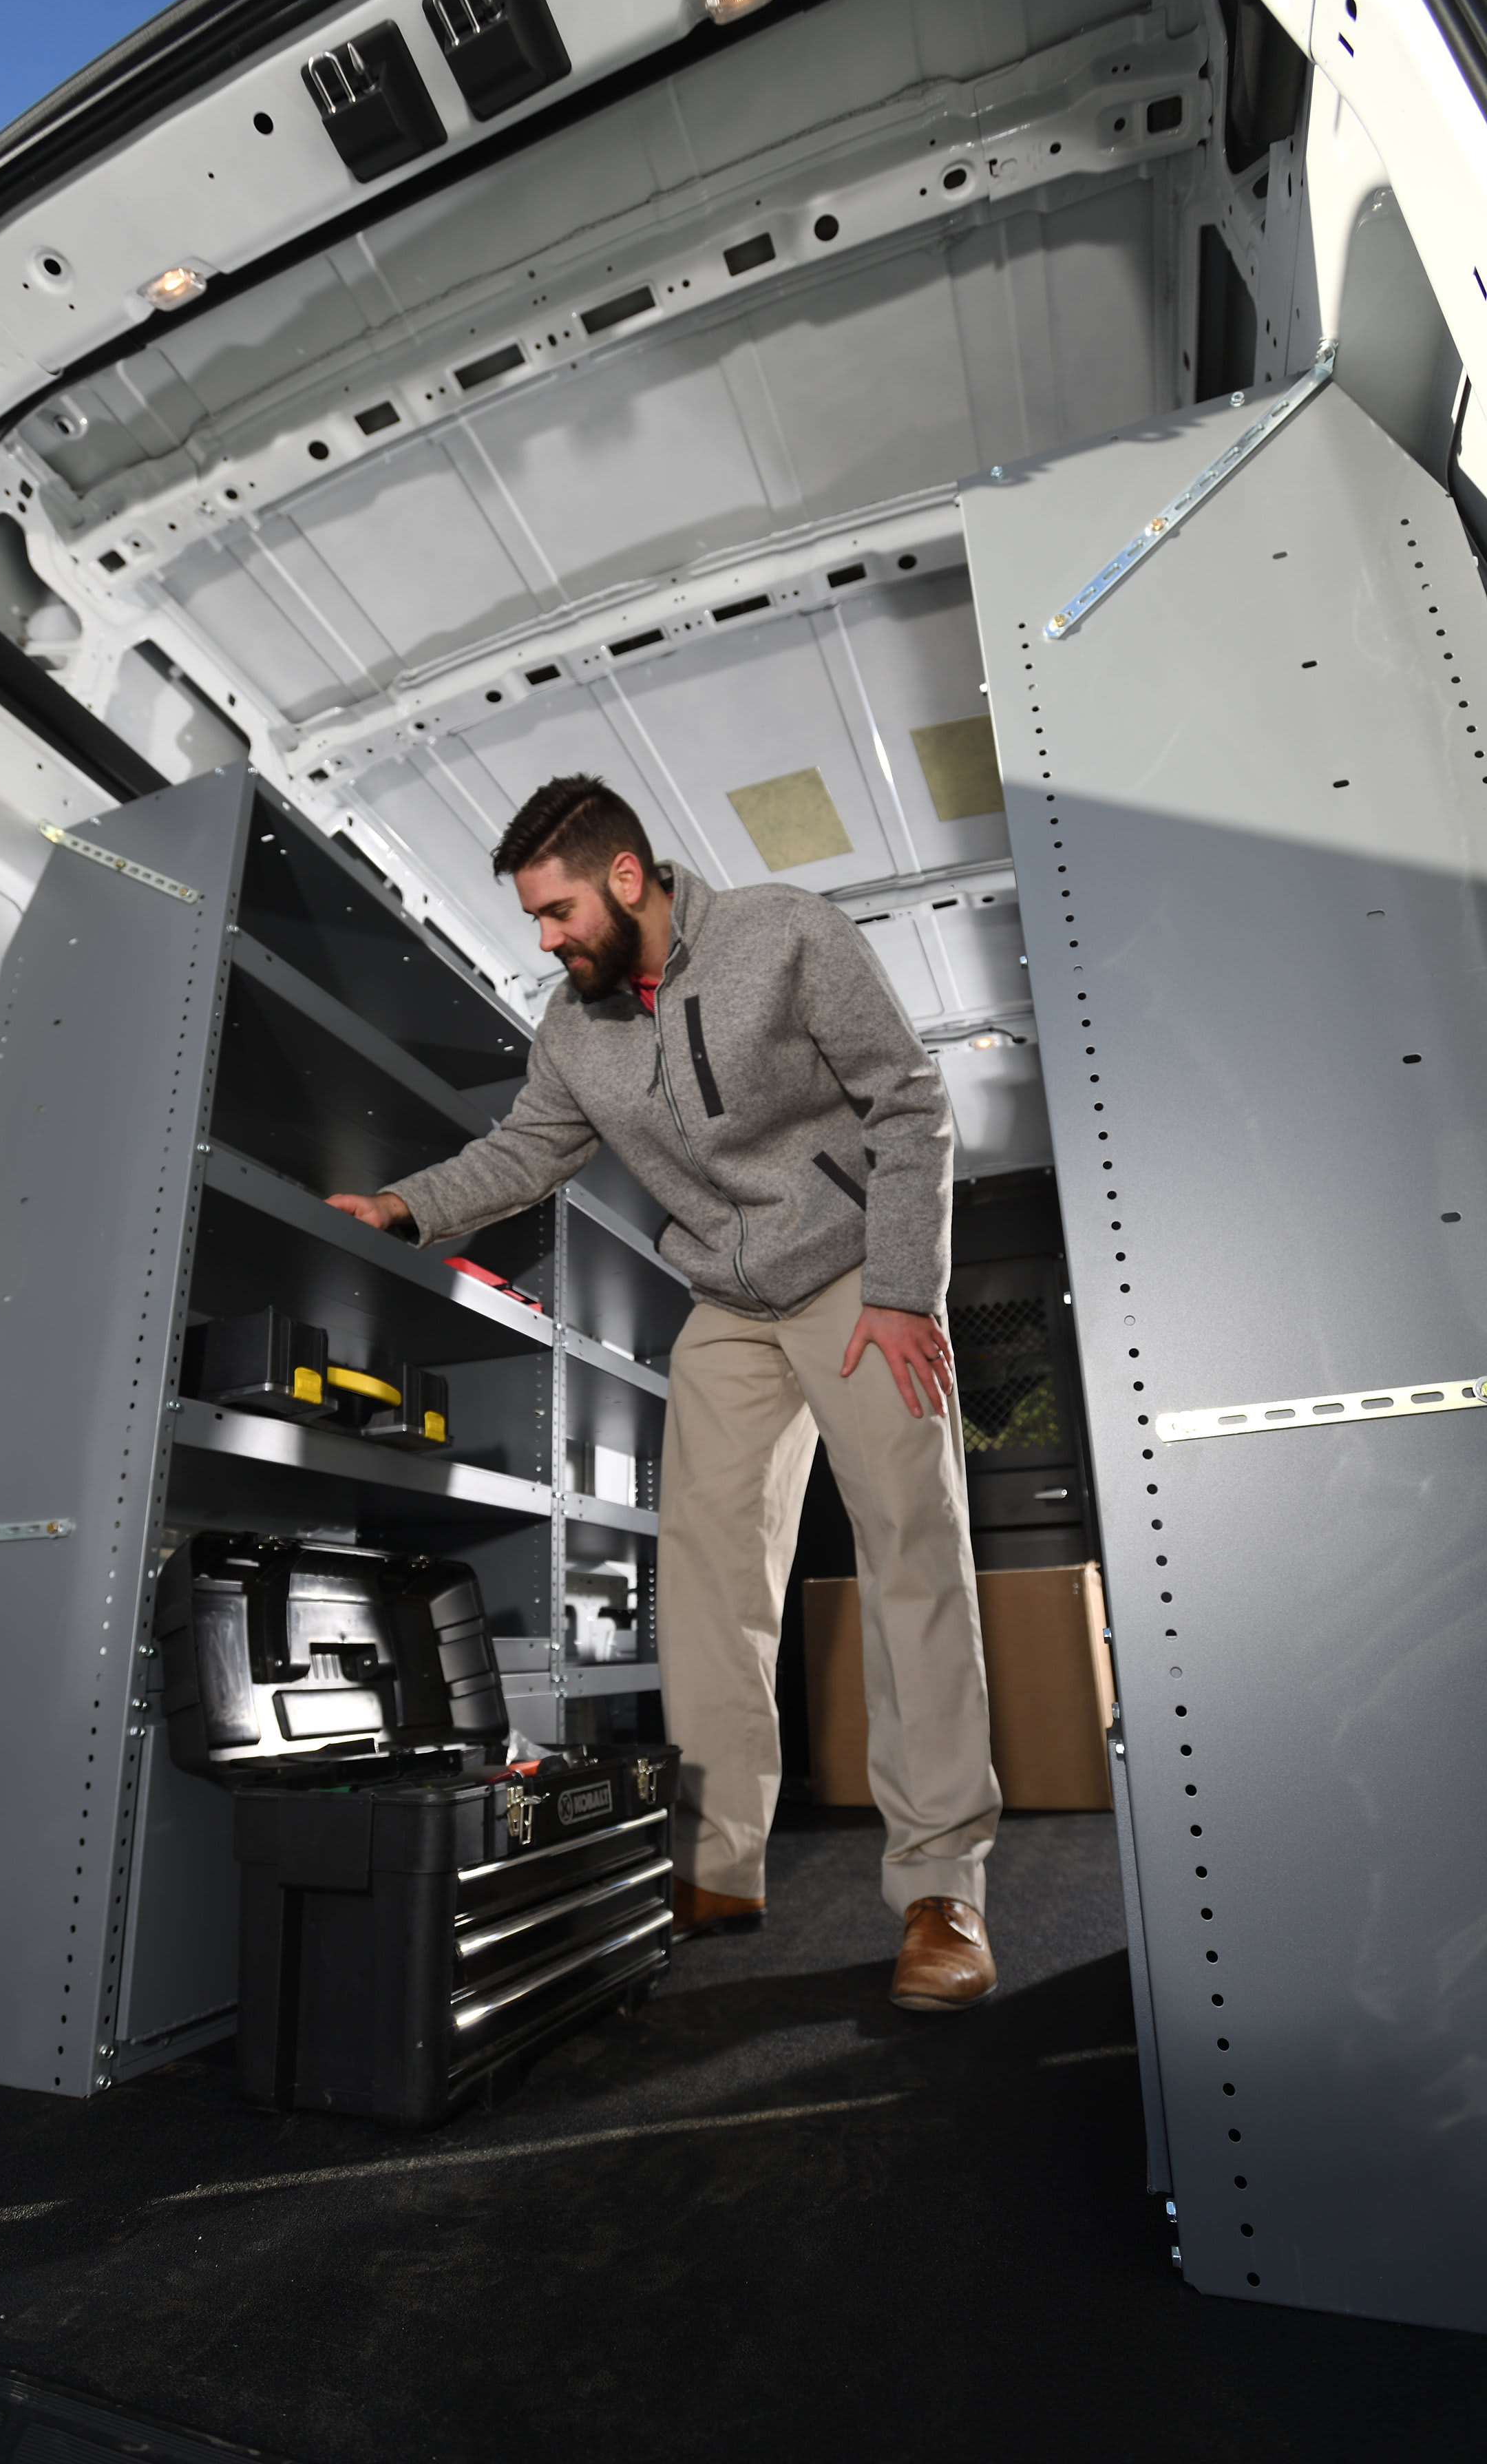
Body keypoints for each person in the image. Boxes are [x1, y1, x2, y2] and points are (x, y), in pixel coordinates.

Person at [329, 776, 1002, 2010]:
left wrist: (908, 1288)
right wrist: (406, 1204)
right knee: (704, 1573)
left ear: (627, 877)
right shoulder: (573, 1029)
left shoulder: (785, 934)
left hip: (859, 1278)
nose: (547, 938)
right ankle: (717, 1865)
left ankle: (941, 1888)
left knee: (913, 1552)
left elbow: (909, 1103)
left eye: (558, 911)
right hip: (729, 1304)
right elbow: (527, 1150)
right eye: (536, 919)